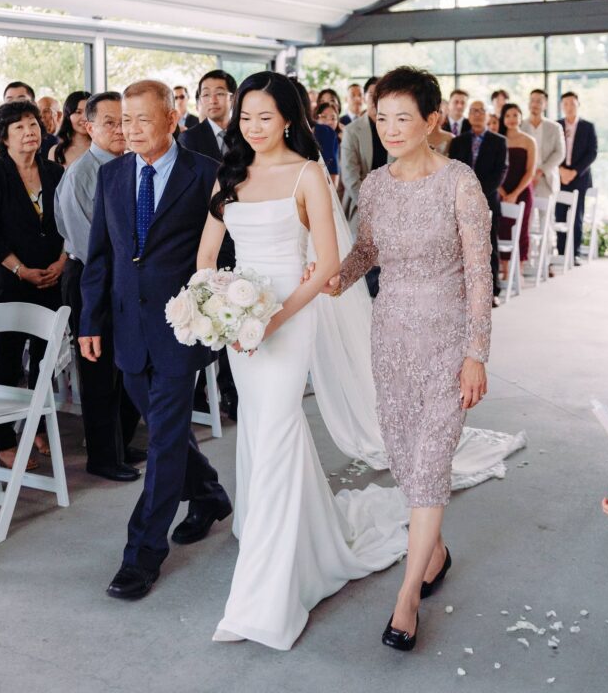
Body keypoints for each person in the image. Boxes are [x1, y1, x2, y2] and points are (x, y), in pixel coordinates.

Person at [199, 72, 410, 650]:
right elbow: (208, 250)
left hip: (287, 317)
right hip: (241, 321)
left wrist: (270, 318)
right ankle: (302, 545)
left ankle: (264, 597)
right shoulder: (231, 173)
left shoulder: (307, 173)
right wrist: (212, 303)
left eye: (264, 117)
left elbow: (325, 267)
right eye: (246, 117)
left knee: (277, 431)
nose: (253, 127)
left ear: (288, 118)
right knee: (261, 434)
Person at [333, 67, 492, 651]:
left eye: (404, 117)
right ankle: (438, 551)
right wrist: (336, 277)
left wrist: (477, 354)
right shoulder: (374, 185)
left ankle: (405, 599)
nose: (391, 128)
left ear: (431, 121)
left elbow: (480, 273)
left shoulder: (460, 183)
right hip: (391, 335)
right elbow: (369, 250)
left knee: (430, 464)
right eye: (382, 118)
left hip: (449, 339)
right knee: (403, 457)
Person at [79, 80, 231, 601]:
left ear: (171, 120)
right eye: (124, 120)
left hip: (179, 326)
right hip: (126, 327)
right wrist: (90, 322)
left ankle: (142, 555)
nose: (131, 130)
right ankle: (209, 494)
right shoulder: (111, 174)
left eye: (143, 120)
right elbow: (101, 254)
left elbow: (224, 257)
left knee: (164, 440)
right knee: (165, 429)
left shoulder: (206, 175)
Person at [54, 91, 142, 483]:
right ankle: (103, 456)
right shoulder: (81, 173)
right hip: (93, 280)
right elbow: (88, 244)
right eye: (110, 122)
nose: (121, 129)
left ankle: (122, 443)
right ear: (88, 127)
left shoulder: (132, 164)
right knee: (99, 371)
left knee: (128, 366)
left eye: (125, 120)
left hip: (126, 280)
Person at [0, 100, 66, 469]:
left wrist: (61, 263)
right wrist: (21, 270)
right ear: (5, 137)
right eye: (19, 128)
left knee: (47, 361)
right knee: (10, 359)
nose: (30, 132)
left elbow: (66, 224)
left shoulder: (55, 172)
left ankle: (38, 426)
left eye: (33, 125)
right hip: (12, 281)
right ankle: (3, 439)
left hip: (52, 278)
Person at [179, 70, 239, 420]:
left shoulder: (246, 133)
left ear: (232, 97)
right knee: (212, 317)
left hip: (242, 239)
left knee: (239, 315)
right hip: (206, 240)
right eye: (206, 94)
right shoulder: (189, 139)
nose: (212, 100)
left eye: (220, 93)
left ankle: (234, 393)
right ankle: (203, 393)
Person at [449, 100, 508, 307]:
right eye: (473, 111)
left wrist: (477, 193)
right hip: (461, 203)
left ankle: (492, 292)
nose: (476, 115)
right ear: (468, 114)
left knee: (488, 247)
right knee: (461, 247)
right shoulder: (458, 142)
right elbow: (453, 171)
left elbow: (500, 172)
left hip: (488, 201)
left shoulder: (499, 141)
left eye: (480, 111)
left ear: (487, 114)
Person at [521, 90, 565, 274]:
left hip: (546, 181)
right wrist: (529, 173)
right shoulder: (521, 125)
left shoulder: (554, 127)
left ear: (545, 104)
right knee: (527, 222)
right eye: (532, 101)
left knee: (546, 222)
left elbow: (559, 153)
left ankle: (546, 263)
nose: (535, 104)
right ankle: (527, 263)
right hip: (526, 181)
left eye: (539, 101)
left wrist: (541, 170)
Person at [557, 91, 598, 265]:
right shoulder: (557, 125)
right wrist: (560, 171)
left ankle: (574, 253)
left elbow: (592, 152)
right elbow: (552, 150)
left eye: (572, 103)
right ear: (562, 106)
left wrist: (574, 172)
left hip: (579, 177)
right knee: (559, 214)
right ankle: (560, 252)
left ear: (578, 104)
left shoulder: (588, 126)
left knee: (577, 216)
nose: (569, 107)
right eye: (565, 103)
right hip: (559, 176)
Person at [0, 81, 58, 168]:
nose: (15, 104)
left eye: (21, 100)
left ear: (33, 104)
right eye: (9, 100)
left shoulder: (50, 141)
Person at [498, 104, 536, 275]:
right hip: (501, 192)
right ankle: (505, 270)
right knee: (503, 228)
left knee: (521, 229)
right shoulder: (498, 140)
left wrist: (515, 193)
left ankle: (518, 270)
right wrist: (503, 193)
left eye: (515, 115)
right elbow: (494, 169)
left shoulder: (529, 141)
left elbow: (530, 172)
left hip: (522, 192)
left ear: (521, 117)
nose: (512, 119)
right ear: (503, 119)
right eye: (508, 115)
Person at [340, 76, 381, 233]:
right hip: (361, 203)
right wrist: (370, 207)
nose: (376, 98)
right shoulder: (352, 131)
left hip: (395, 205)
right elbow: (350, 177)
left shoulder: (397, 128)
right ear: (364, 97)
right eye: (372, 94)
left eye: (382, 93)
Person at [49, 90, 91, 168]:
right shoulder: (56, 152)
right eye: (78, 112)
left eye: (89, 112)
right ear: (68, 116)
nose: (85, 118)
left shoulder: (102, 148)